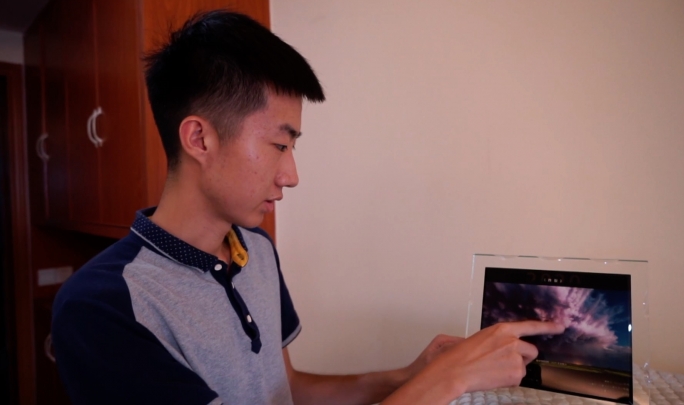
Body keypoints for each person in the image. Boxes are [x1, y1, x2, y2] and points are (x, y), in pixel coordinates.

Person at [51, 10, 564, 405]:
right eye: (279, 144)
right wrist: (444, 382)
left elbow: (287, 389)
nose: (291, 174)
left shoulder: (255, 248)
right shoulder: (100, 307)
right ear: (199, 139)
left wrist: (408, 375)